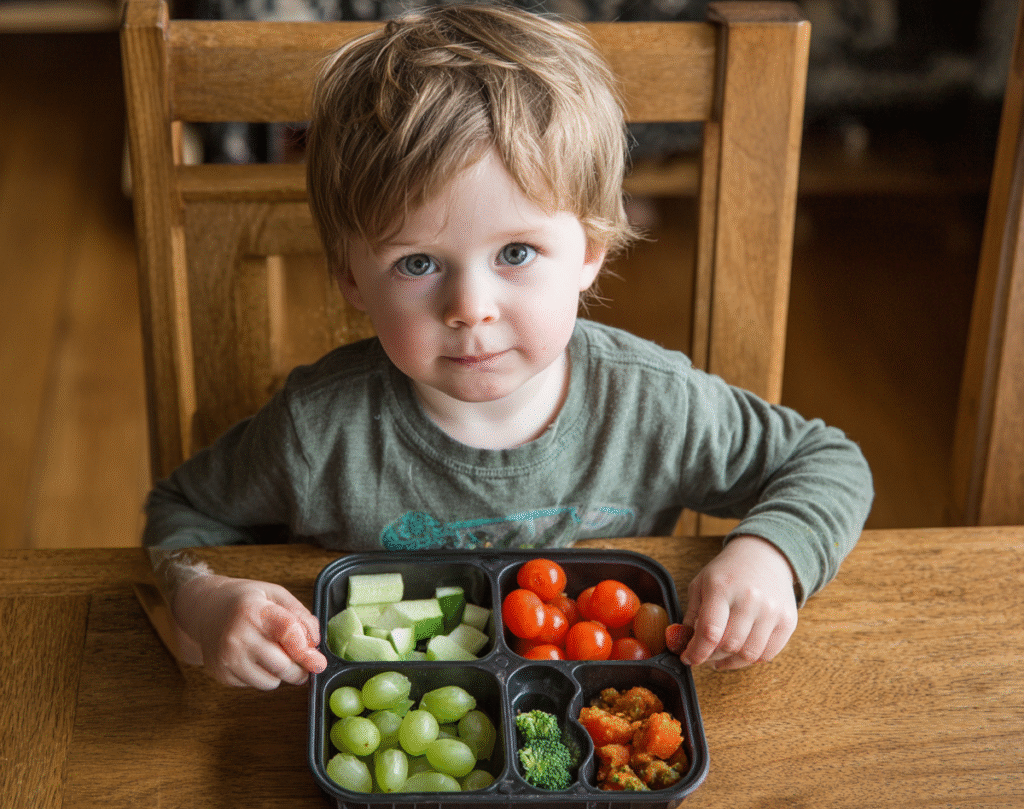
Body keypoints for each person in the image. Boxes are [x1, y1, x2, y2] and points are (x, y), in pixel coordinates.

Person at [143, 2, 873, 689]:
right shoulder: (317, 430)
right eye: (418, 263)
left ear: (590, 248)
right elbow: (181, 513)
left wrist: (772, 553)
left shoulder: (653, 403)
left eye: (517, 253)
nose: (470, 310)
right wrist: (206, 600)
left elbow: (826, 462)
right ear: (351, 279)